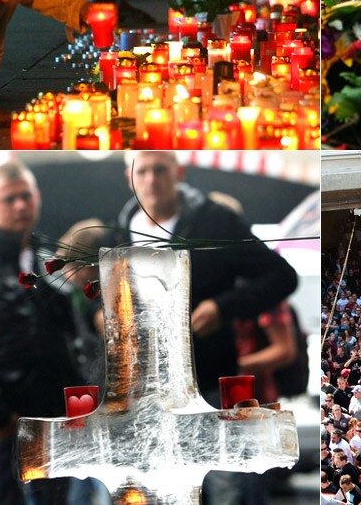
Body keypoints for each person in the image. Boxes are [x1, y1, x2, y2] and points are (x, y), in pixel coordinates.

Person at [108, 151, 298, 505]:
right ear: (128, 177)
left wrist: (223, 307)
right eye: (142, 171)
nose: (151, 179)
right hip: (146, 393)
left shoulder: (215, 221)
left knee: (225, 487)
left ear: (178, 172)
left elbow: (281, 275)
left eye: (160, 170)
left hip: (208, 382)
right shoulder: (122, 228)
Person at [0, 161, 91, 505]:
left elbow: (68, 341)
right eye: (9, 199)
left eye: (25, 196)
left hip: (50, 421)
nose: (19, 205)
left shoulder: (45, 263)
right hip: (5, 426)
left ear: (37, 197)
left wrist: (76, 405)